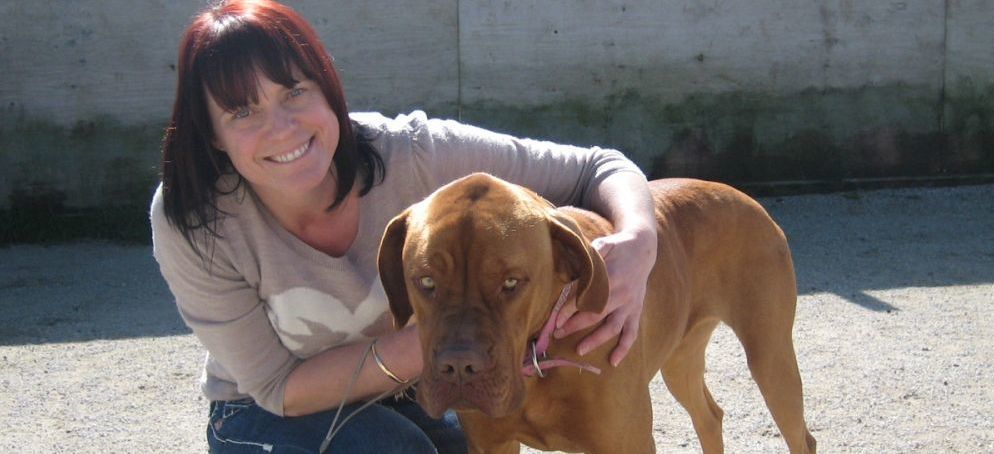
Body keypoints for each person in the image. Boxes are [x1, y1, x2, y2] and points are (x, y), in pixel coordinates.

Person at [149, 0, 658, 452]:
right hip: (265, 414)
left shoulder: (412, 155)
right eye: (242, 112)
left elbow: (599, 165)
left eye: (294, 92)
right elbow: (279, 388)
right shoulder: (194, 222)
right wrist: (457, 342)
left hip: (413, 389)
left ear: (329, 89)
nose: (281, 129)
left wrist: (638, 240)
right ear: (211, 135)